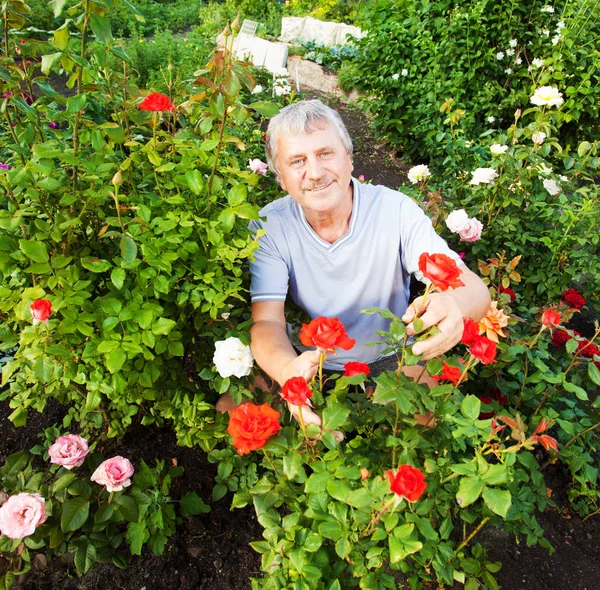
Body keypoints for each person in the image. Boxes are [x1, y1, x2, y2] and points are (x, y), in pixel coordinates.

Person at [217, 100, 490, 421]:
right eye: (297, 161)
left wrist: (455, 306)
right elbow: (267, 321)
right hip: (308, 357)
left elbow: (473, 287)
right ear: (281, 178)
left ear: (348, 157)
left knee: (425, 423)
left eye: (325, 153)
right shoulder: (270, 225)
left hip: (392, 353)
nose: (315, 172)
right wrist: (287, 370)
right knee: (230, 413)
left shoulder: (396, 211)